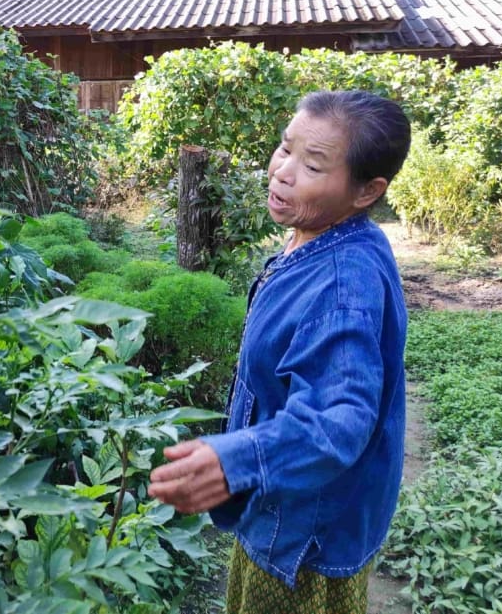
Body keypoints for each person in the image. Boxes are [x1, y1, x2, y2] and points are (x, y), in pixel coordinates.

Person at [149, 90, 412, 614]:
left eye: (312, 165)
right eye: (284, 148)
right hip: (289, 504)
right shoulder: (320, 235)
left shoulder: (342, 286)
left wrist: (238, 458)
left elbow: (340, 419)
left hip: (301, 536)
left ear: (366, 191)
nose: (283, 171)